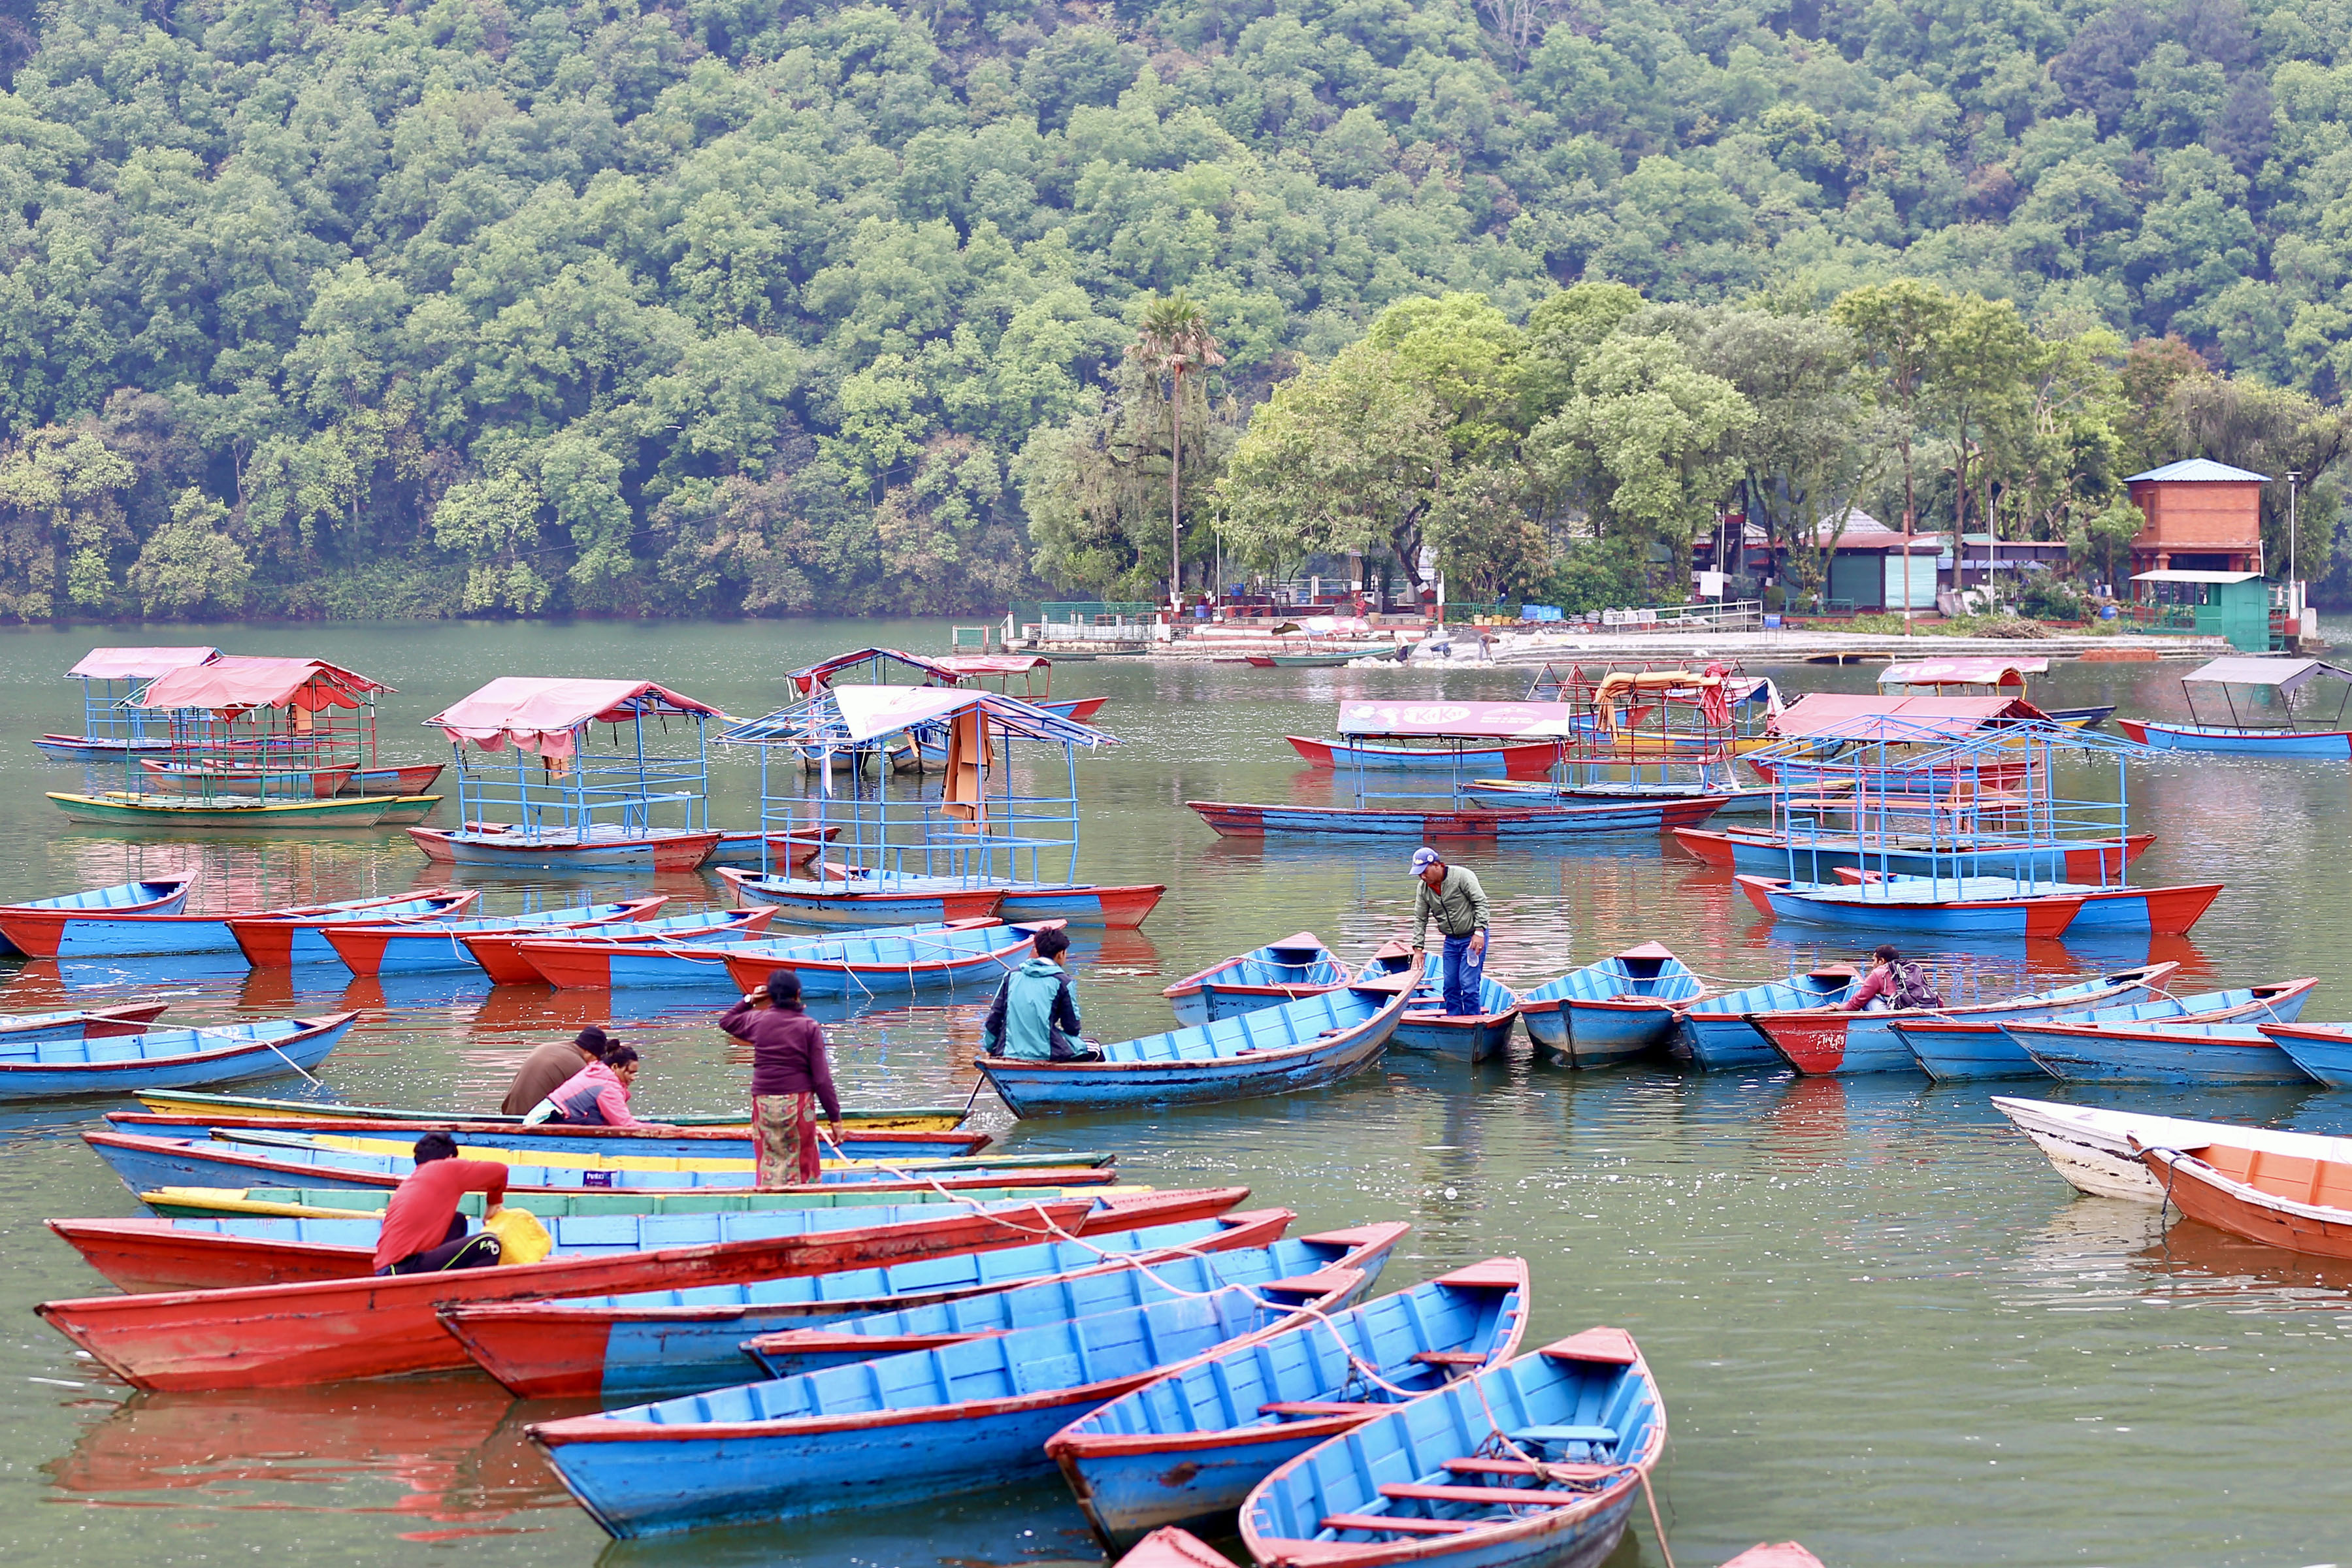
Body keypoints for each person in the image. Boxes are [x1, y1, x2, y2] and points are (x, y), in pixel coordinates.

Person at [721, 969, 843, 1189]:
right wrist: (835, 1119)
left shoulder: (758, 1020)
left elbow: (727, 1021)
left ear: (771, 997)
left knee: (768, 1156)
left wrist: (749, 1000)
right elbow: (821, 1079)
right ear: (797, 994)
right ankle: (803, 1200)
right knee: (803, 1160)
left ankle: (769, 1198)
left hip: (764, 1103)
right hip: (797, 1104)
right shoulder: (808, 1027)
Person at [372, 1132, 507, 1275]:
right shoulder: (448, 1168)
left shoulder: (412, 1181)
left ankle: (444, 1282)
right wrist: (493, 1204)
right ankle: (467, 1296)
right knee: (489, 1244)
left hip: (387, 1269)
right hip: (403, 1269)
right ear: (450, 1158)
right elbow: (501, 1171)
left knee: (457, 1221)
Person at [983, 926, 1102, 1061]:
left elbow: (994, 1018)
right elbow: (1072, 1028)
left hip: (1007, 1051)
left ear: (1038, 950)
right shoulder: (1063, 982)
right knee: (1095, 1048)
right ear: (1061, 954)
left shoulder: (1011, 976)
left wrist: (990, 1049)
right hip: (1046, 1053)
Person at [1409, 845, 1491, 1018]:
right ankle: (1455, 1022)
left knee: (1468, 984)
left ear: (1438, 865)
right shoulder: (1423, 889)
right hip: (1451, 941)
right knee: (1450, 986)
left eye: (1425, 872)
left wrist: (1479, 931)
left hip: (1472, 937)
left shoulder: (1462, 876)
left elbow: (1481, 903)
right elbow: (1420, 918)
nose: (1422, 877)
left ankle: (1472, 1022)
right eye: (1419, 874)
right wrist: (1418, 949)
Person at [500, 1026, 612, 1116]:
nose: (596, 1063)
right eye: (597, 1059)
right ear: (588, 1052)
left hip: (509, 1113)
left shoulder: (547, 1047)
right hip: (534, 1119)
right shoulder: (579, 1066)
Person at [527, 1044, 645, 1126]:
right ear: (615, 1067)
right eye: (631, 1072)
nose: (633, 1078)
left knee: (597, 1120)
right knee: (595, 1124)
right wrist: (661, 1129)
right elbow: (625, 1124)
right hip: (541, 1122)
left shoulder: (597, 1072)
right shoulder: (607, 1086)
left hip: (536, 1119)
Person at [1841, 945, 1945, 1012]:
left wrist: (1837, 1008)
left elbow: (1856, 1003)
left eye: (1874, 961)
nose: (1872, 965)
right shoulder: (1911, 968)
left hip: (1898, 1014)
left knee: (1866, 995)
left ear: (1881, 961)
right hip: (1928, 1009)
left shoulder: (1879, 973)